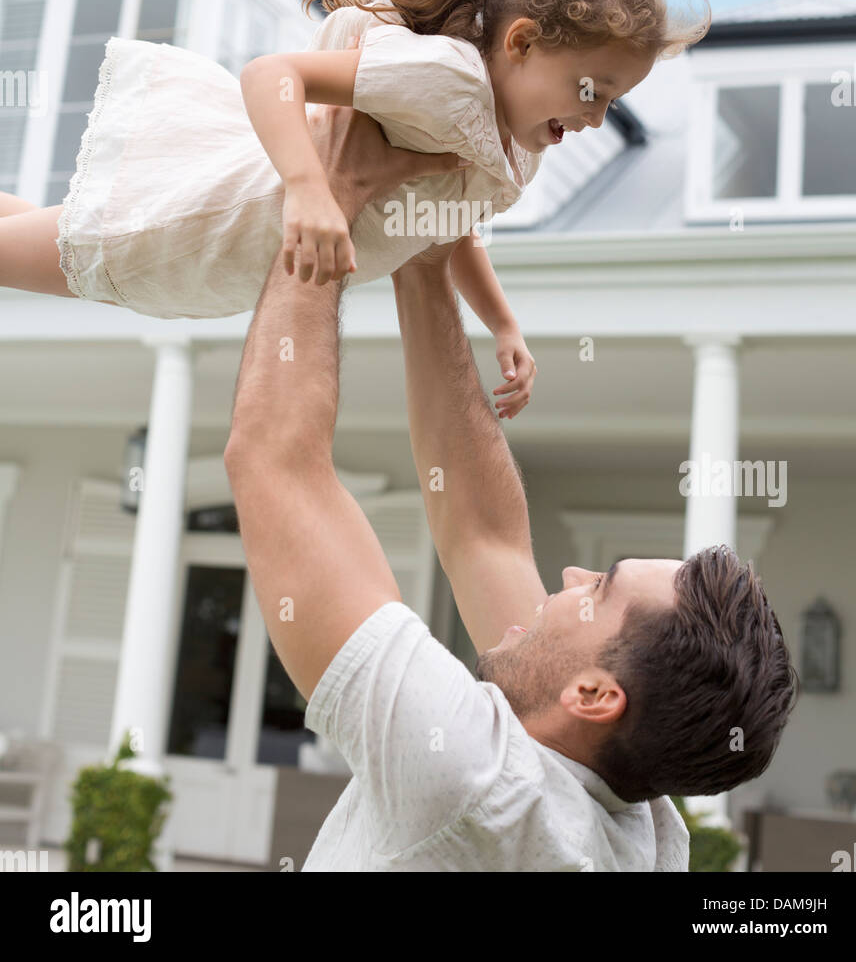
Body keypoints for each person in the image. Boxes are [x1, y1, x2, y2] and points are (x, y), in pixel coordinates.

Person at [224, 101, 799, 873]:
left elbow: (274, 461)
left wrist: (334, 184)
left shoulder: (473, 781)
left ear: (594, 696)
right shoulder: (642, 833)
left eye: (596, 590)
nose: (566, 578)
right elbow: (482, 534)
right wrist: (427, 260)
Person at [0, 0, 707, 420]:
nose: (597, 117)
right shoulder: (447, 80)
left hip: (225, 260)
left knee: (24, 228)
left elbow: (446, 225)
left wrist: (502, 323)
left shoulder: (507, 146)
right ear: (521, 42)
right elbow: (271, 74)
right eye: (594, 90)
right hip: (204, 226)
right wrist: (309, 189)